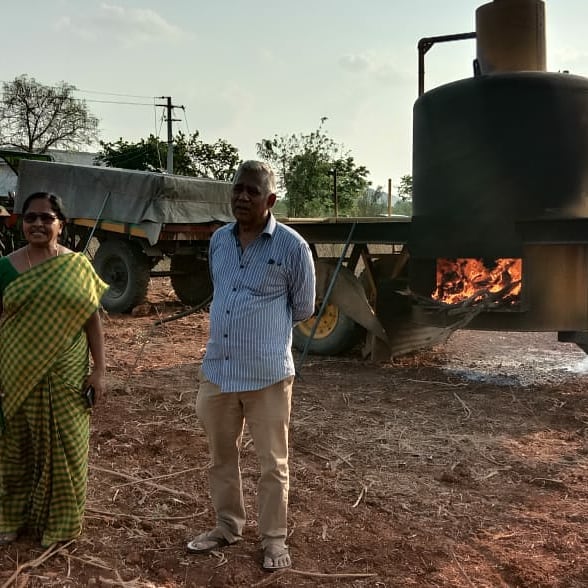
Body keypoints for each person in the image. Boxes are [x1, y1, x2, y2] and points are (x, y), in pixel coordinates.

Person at [187, 160, 316, 571]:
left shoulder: (293, 247)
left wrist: (261, 332)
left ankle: (273, 539)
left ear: (271, 199)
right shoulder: (220, 241)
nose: (242, 197)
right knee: (220, 457)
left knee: (272, 464)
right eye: (238, 189)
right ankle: (227, 526)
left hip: (267, 376)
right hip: (219, 370)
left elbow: (304, 307)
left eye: (252, 191)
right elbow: (220, 289)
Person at [0, 191, 108, 547]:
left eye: (47, 218)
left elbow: (92, 320)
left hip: (69, 375)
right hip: (16, 372)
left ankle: (60, 525)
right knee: (15, 448)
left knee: (68, 450)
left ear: (60, 224)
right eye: (31, 217)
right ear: (21, 222)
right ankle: (11, 519)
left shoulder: (77, 265)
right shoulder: (5, 267)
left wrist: (99, 370)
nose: (38, 224)